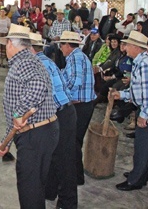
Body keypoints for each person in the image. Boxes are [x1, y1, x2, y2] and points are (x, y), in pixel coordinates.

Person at [0, 24, 59, 209]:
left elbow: (38, 87)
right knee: (34, 186)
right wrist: (4, 142)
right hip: (41, 132)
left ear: (10, 44)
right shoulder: (29, 60)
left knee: (29, 189)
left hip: (34, 135)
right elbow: (14, 115)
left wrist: (19, 112)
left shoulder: (24, 63)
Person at [111, 31, 148, 191]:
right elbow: (138, 90)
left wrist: (144, 114)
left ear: (136, 46)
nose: (125, 47)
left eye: (127, 44)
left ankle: (135, 181)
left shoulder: (145, 63)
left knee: (144, 146)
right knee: (145, 145)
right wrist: (121, 94)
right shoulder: (139, 61)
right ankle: (140, 175)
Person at [30, 33, 77, 209]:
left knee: (64, 162)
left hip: (62, 114)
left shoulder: (38, 65)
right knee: (52, 157)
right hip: (60, 113)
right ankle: (50, 191)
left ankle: (68, 203)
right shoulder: (45, 61)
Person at [58, 31, 96, 186]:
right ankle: (76, 176)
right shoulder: (78, 57)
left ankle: (75, 177)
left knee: (73, 142)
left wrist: (62, 97)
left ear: (67, 45)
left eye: (61, 45)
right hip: (84, 104)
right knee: (74, 142)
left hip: (81, 106)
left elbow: (74, 82)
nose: (60, 49)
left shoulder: (75, 57)